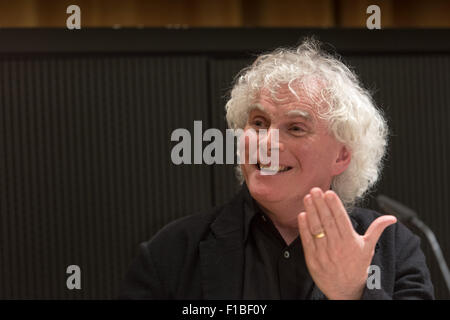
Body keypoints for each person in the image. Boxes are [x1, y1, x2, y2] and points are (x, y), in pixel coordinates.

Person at [119, 39, 434, 299]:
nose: (266, 142)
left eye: (296, 128)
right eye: (258, 123)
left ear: (341, 155)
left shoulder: (395, 247)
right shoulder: (171, 251)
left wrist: (351, 293)